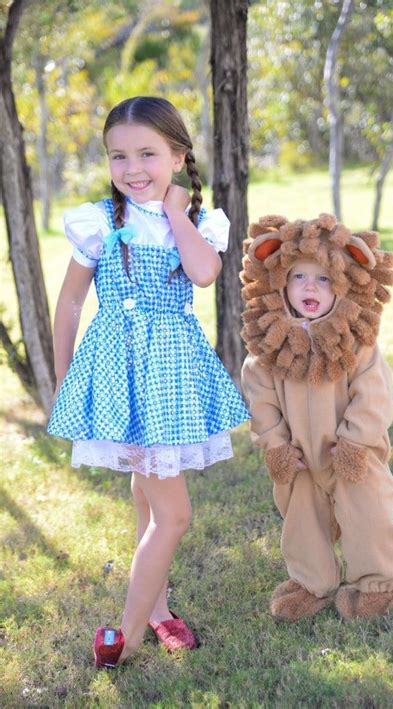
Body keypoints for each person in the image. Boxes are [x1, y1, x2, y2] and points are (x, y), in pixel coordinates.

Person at [47, 96, 249, 667]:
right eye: (119, 156)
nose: (133, 169)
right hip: (120, 377)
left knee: (149, 493)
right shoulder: (99, 222)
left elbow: (206, 274)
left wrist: (177, 211)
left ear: (179, 157)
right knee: (174, 514)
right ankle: (126, 637)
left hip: (170, 378)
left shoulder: (197, 222)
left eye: (147, 154)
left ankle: (157, 610)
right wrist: (65, 379)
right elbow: (68, 305)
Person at [240, 213, 393, 623]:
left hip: (353, 455)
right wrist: (277, 447)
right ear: (280, 281)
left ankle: (381, 583)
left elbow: (372, 396)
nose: (310, 288)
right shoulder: (268, 349)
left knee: (368, 516)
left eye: (322, 279)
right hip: (299, 457)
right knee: (302, 523)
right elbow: (261, 404)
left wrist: (355, 441)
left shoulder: (356, 343)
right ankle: (312, 582)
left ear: (342, 284)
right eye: (299, 277)